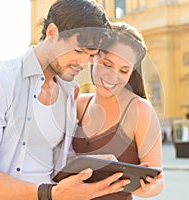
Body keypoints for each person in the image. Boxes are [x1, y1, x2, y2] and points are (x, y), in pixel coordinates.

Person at [0, 1, 131, 199]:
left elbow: (53, 161)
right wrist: (50, 194)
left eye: (90, 56)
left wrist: (99, 164)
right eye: (79, 51)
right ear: (52, 32)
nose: (82, 63)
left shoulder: (68, 91)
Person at [72, 22, 164, 199]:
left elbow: (159, 183)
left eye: (124, 70)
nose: (113, 77)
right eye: (107, 64)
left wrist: (144, 187)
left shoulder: (140, 111)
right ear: (95, 57)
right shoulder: (78, 104)